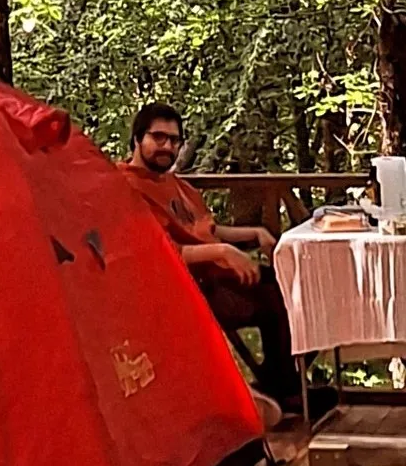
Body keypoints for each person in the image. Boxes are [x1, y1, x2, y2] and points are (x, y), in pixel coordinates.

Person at [118, 103, 337, 419]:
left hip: (218, 273)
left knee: (306, 288)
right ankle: (285, 392)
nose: (167, 146)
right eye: (158, 137)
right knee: (276, 300)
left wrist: (253, 233)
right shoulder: (125, 188)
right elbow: (157, 252)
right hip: (183, 289)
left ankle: (277, 386)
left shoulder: (175, 184)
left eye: (174, 140)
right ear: (137, 139)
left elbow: (206, 229)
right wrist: (222, 252)